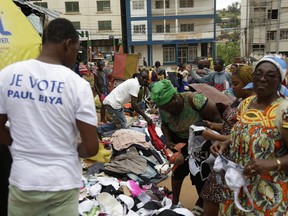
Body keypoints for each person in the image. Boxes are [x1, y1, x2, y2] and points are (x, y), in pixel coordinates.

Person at [0, 18, 99, 216]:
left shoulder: (7, 75)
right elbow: (90, 147)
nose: (75, 57)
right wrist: (66, 149)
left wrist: (16, 142)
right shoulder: (77, 85)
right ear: (67, 44)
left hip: (23, 183)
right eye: (76, 51)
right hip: (62, 184)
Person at [211, 55, 288, 215]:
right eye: (258, 73)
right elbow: (245, 135)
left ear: (280, 80)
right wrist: (227, 144)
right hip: (237, 189)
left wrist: (272, 163)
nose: (262, 78)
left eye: (270, 75)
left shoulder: (284, 111)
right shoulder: (246, 104)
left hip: (267, 195)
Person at [150, 79, 222, 215]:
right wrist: (168, 140)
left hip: (201, 140)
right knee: (178, 171)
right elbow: (164, 124)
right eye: (162, 108)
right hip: (180, 142)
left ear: (175, 97)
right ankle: (175, 202)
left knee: (200, 175)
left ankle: (200, 204)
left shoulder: (195, 100)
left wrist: (206, 141)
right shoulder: (164, 108)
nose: (166, 110)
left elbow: (216, 120)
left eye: (167, 106)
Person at [200, 65, 254, 216]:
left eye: (237, 84)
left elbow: (243, 135)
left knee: (214, 197)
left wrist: (214, 136)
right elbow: (230, 125)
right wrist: (214, 126)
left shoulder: (252, 106)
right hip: (224, 156)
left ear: (249, 83)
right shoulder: (240, 101)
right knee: (213, 196)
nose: (233, 87)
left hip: (234, 159)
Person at [98, 69, 153, 137]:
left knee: (117, 124)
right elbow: (134, 104)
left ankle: (99, 130)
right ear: (142, 78)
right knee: (123, 127)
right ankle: (104, 135)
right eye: (145, 82)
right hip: (114, 104)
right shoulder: (135, 85)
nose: (145, 84)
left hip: (113, 103)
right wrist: (146, 117)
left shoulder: (133, 82)